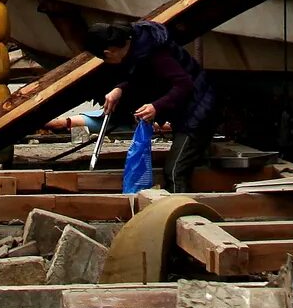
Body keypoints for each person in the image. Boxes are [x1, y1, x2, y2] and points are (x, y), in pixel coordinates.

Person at [91, 19, 215, 189]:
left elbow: (184, 84)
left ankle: (180, 211)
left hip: (200, 110)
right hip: (187, 108)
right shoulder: (137, 46)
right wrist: (119, 89)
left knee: (174, 171)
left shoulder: (154, 53)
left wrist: (156, 106)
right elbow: (145, 78)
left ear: (109, 52)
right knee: (188, 161)